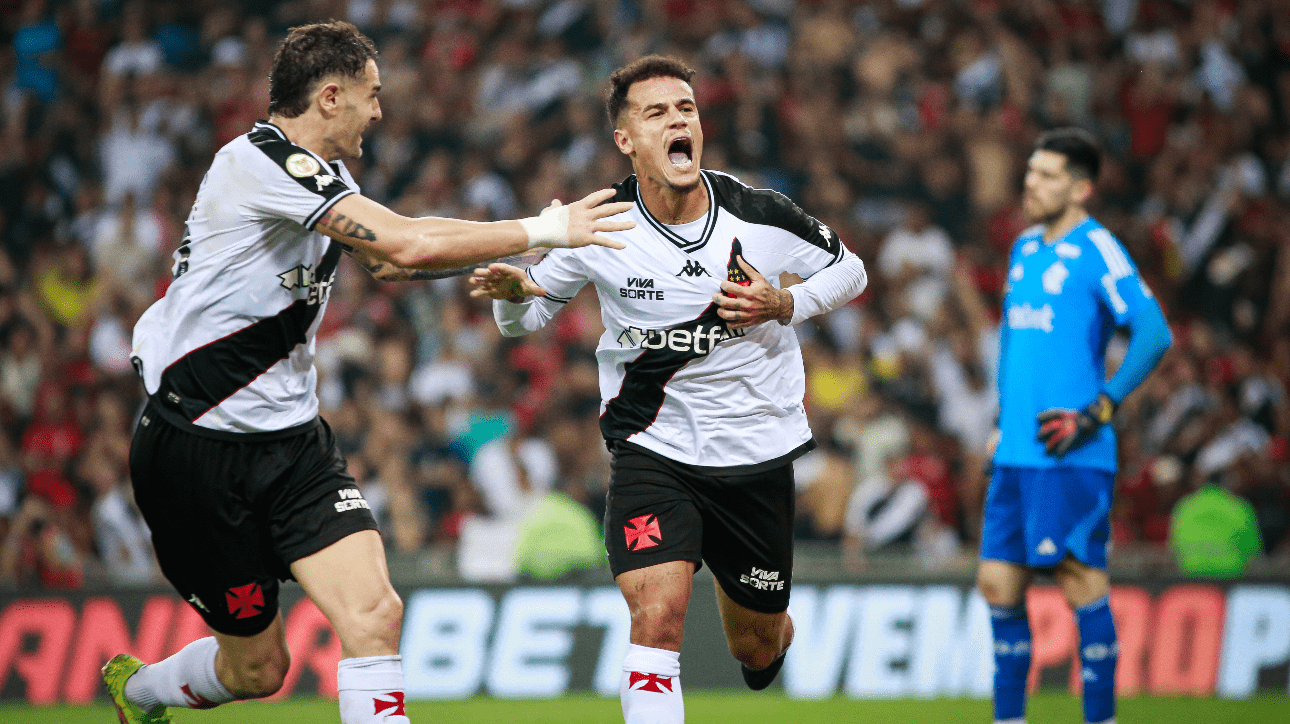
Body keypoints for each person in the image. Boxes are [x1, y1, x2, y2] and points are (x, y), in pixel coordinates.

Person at [101, 21, 633, 724]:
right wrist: (541, 230)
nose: (380, 111)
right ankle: (140, 693)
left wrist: (495, 266)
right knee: (258, 670)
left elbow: (386, 260)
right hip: (196, 449)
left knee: (376, 614)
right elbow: (404, 245)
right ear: (329, 97)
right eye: (370, 95)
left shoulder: (328, 178)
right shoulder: (257, 164)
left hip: (293, 447)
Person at [469, 55, 867, 724]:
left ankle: (766, 629)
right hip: (653, 450)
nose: (678, 120)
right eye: (657, 112)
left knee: (756, 646)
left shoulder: (757, 213)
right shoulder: (600, 224)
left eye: (686, 109)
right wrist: (511, 296)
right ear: (625, 139)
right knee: (656, 616)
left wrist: (782, 305)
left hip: (754, 453)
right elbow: (526, 317)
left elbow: (848, 270)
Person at [977, 128, 1172, 724]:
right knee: (997, 583)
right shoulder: (1025, 248)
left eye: (1047, 175)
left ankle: (1100, 719)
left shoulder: (1098, 248)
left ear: (1081, 187)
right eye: (1031, 171)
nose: (1031, 183)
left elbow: (1154, 332)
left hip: (1071, 451)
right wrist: (1000, 418)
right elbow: (1014, 343)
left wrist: (1101, 409)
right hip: (1016, 449)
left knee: (1077, 575)